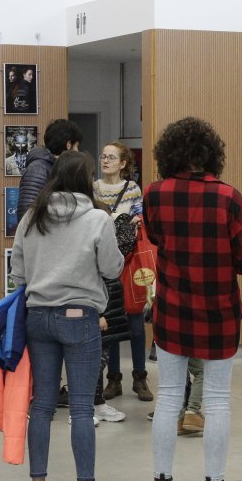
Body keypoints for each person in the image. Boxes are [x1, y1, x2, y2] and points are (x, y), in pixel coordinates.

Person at [145, 117, 242, 481]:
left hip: (172, 310)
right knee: (216, 401)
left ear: (169, 154)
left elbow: (156, 237)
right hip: (218, 313)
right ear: (212, 153)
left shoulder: (155, 194)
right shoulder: (229, 197)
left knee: (167, 398)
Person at [10, 150, 124, 481]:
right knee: (80, 409)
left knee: (42, 405)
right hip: (80, 317)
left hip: (38, 316)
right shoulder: (98, 219)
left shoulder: (31, 217)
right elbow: (113, 268)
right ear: (84, 181)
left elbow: (18, 273)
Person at [93, 142, 152, 404]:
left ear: (123, 163)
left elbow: (139, 217)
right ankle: (113, 379)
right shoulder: (94, 187)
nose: (105, 161)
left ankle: (140, 376)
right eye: (103, 156)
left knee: (136, 320)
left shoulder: (133, 189)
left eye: (111, 157)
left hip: (128, 261)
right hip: (102, 262)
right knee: (112, 323)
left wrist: (132, 220)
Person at [17, 119, 83, 220]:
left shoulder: (58, 167)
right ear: (68, 145)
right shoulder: (38, 168)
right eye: (77, 146)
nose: (78, 151)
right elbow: (27, 214)